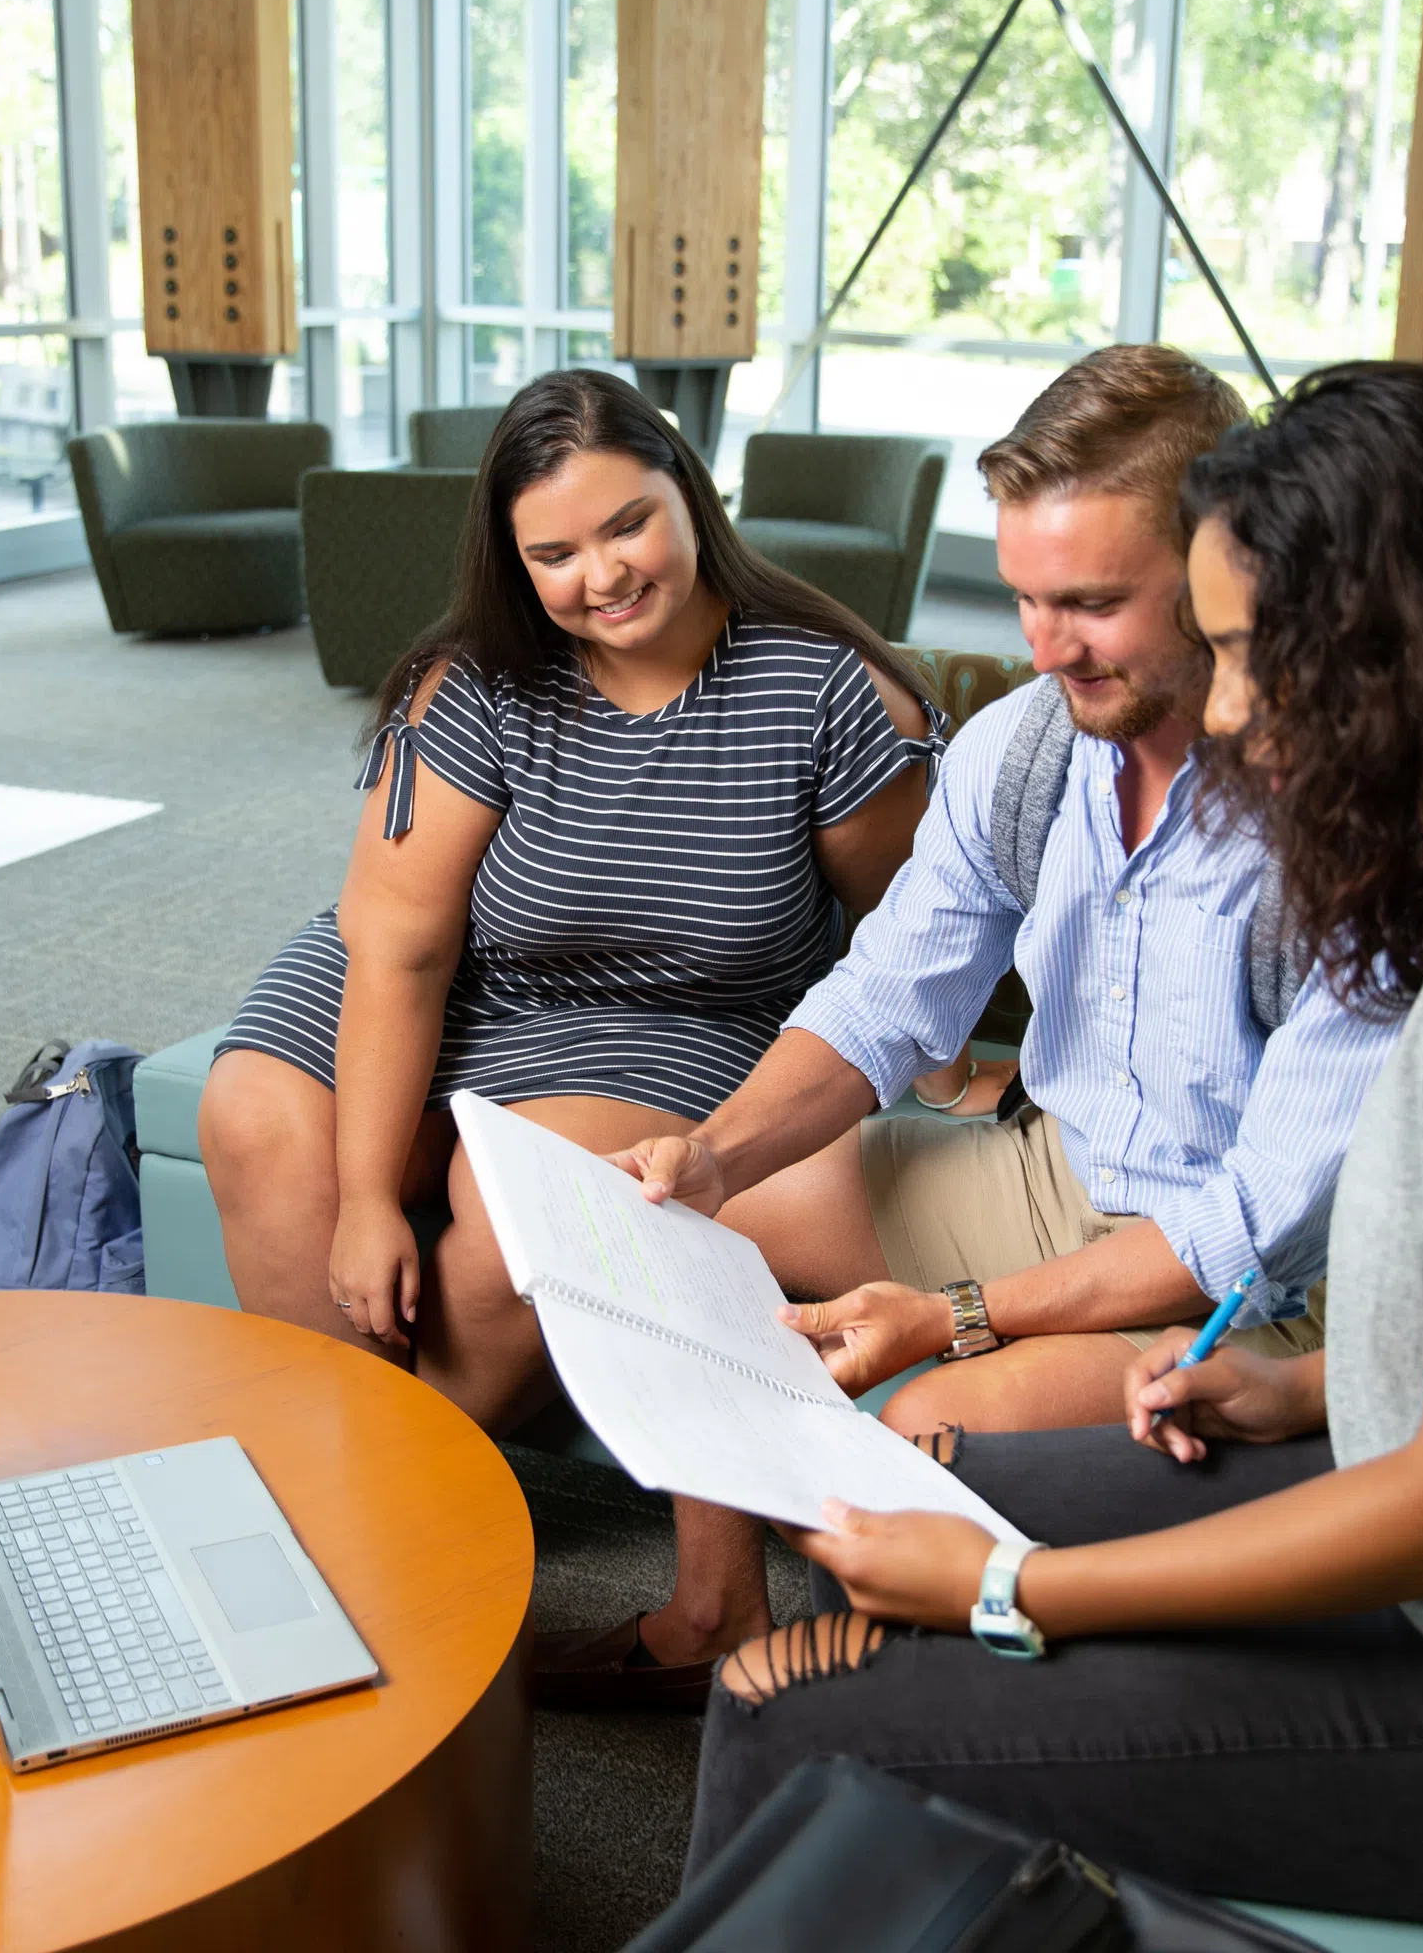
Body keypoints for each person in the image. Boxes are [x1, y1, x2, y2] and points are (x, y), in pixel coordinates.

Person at [678, 360, 1423, 1933]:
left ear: (1396, 648)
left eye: (1245, 654)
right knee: (914, 1497)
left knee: (785, 1704)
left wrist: (1025, 1591)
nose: (1224, 710)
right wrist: (1302, 1389)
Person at [549, 344, 1403, 1706]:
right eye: (1021, 597)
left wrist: (957, 1318)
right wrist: (716, 1154)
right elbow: (888, 1000)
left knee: (936, 1436)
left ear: (1228, 572)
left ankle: (927, 1740)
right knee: (684, 1218)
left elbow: (1255, 1226)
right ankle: (715, 1608)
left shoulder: (1338, 812)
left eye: (1091, 604)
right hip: (1055, 1170)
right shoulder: (1032, 749)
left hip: (1272, 1296)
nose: (1043, 644)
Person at [197, 369, 941, 1439]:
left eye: (627, 525)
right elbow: (403, 954)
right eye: (554, 555)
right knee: (258, 1117)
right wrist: (363, 1200)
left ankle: (405, 1475)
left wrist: (950, 1070)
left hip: (676, 1017)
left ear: (688, 490)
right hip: (455, 972)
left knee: (513, 1224)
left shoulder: (826, 690)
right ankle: (333, 1467)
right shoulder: (480, 678)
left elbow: (910, 932)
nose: (603, 576)